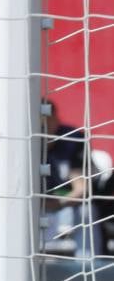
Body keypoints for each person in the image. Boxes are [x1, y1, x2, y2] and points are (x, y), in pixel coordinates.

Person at [44, 100, 94, 258]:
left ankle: (87, 266)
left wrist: (55, 204)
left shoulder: (73, 140)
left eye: (47, 121)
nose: (43, 127)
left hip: (69, 205)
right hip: (36, 207)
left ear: (56, 120)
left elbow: (82, 189)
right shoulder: (22, 145)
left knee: (87, 213)